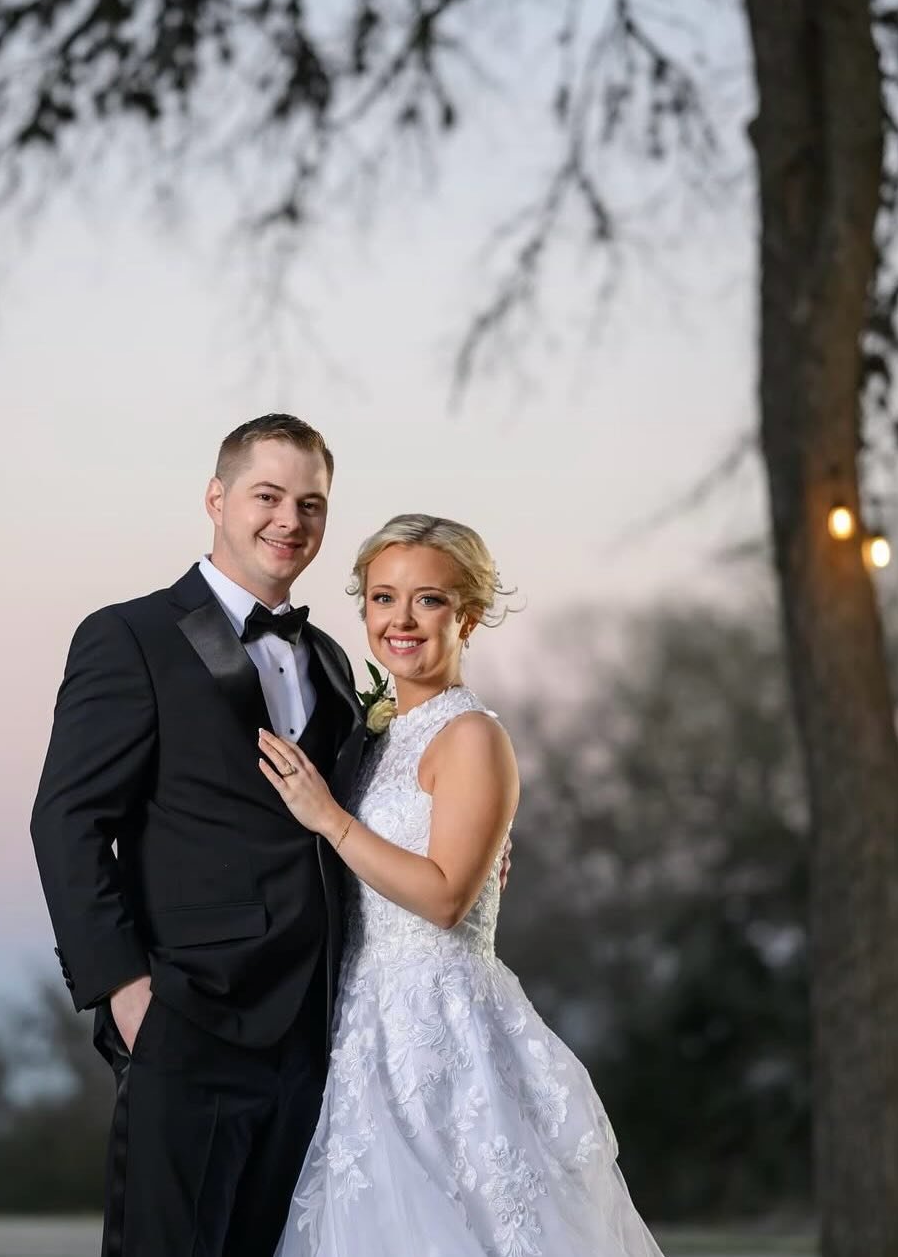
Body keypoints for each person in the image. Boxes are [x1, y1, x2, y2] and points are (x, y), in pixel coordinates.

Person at [262, 513, 666, 1257]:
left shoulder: (474, 735)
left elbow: (447, 896)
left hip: (440, 1028)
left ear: (469, 615)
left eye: (429, 599)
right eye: (383, 598)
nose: (401, 620)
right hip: (362, 1023)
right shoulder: (376, 737)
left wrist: (329, 818)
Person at [30, 414, 367, 1257]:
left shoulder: (331, 661)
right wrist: (126, 993)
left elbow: (350, 817)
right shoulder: (129, 636)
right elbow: (67, 821)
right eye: (268, 495)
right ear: (217, 498)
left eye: (311, 504)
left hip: (312, 1037)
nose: (289, 520)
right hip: (190, 1020)